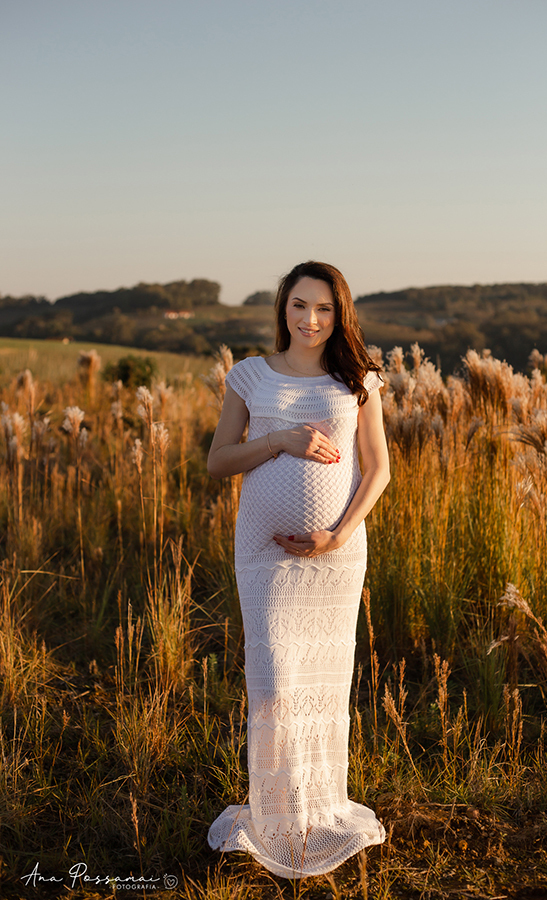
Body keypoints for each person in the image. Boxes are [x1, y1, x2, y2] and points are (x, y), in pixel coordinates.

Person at [206, 260, 390, 879]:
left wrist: (337, 535)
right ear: (282, 308)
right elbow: (219, 461)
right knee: (276, 686)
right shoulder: (251, 376)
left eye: (324, 309)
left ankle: (315, 813)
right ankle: (275, 821)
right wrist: (280, 441)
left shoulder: (357, 379)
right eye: (299, 306)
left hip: (334, 557)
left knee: (323, 687)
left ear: (340, 315)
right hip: (263, 554)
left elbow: (377, 469)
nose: (310, 320)